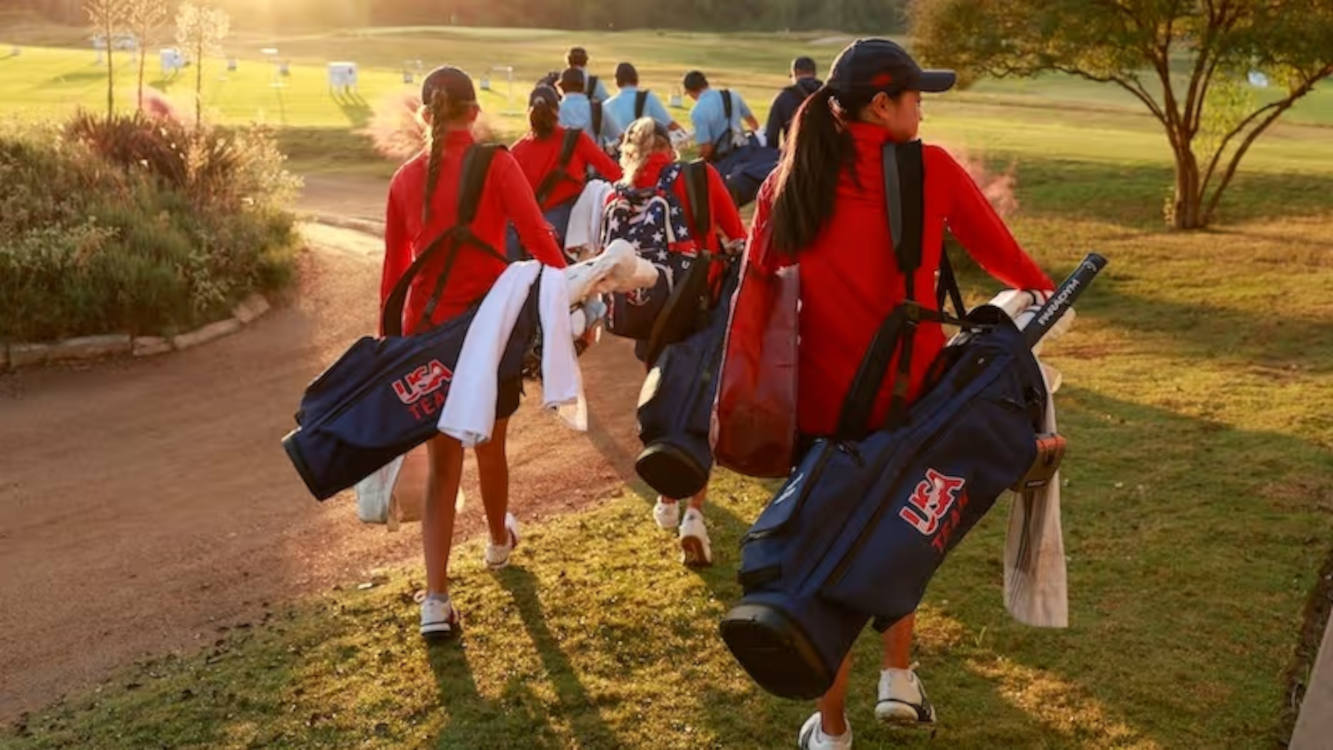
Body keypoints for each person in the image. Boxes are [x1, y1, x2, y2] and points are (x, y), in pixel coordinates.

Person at [743, 39, 1054, 749]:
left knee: (830, 553)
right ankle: (896, 677)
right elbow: (1001, 256)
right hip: (911, 402)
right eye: (915, 97)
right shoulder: (928, 167)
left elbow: (758, 286)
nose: (922, 109)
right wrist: (1043, 292)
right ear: (882, 105)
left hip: (820, 407)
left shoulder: (790, 177)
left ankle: (836, 726)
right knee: (899, 536)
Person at [379, 66, 568, 642]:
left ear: (425, 116)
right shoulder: (497, 163)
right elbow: (538, 239)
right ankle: (496, 542)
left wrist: (391, 348)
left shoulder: (403, 180)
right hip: (488, 330)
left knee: (443, 469)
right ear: (474, 112)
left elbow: (392, 276)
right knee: (490, 445)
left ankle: (435, 601)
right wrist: (568, 299)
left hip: (426, 337)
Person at [610, 117, 746, 566]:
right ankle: (692, 514)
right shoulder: (697, 176)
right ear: (670, 147)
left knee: (660, 400)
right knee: (697, 407)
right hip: (698, 307)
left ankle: (666, 498)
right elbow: (737, 236)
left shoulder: (621, 189)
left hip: (647, 315)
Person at [509, 84, 623, 258]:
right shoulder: (575, 139)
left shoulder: (517, 151)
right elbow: (613, 172)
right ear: (557, 110)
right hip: (569, 229)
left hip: (527, 234)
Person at [682, 70, 773, 207]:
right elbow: (753, 123)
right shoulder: (732, 95)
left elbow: (706, 148)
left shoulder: (697, 111)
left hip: (724, 161)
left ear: (691, 91)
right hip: (746, 152)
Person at [604, 62, 682, 134]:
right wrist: (685, 134)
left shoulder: (606, 105)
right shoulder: (648, 98)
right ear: (636, 79)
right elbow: (669, 124)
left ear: (616, 81)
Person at [558, 67, 623, 153]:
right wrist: (611, 148)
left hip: (561, 160)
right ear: (584, 87)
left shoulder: (554, 110)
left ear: (560, 87)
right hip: (593, 159)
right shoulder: (597, 108)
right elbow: (620, 136)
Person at [764, 55, 822, 149]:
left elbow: (771, 136)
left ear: (795, 72)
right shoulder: (829, 94)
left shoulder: (783, 97)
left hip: (795, 152)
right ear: (814, 73)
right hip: (826, 154)